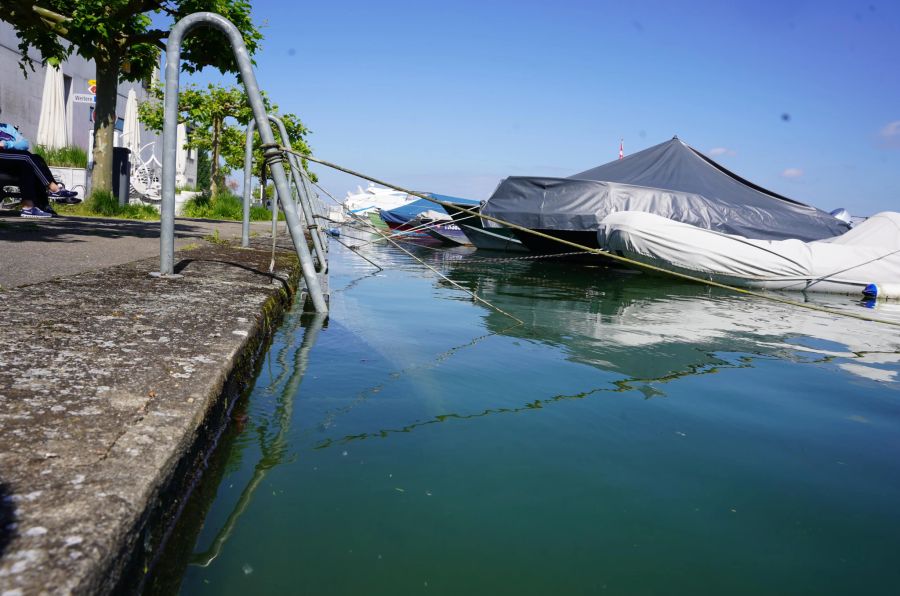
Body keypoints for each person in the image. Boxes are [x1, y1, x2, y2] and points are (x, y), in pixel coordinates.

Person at [0, 110, 77, 218]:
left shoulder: (7, 128)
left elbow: (24, 144)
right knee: (27, 157)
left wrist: (6, 144)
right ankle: (54, 188)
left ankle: (31, 207)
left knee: (36, 159)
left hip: (12, 161)